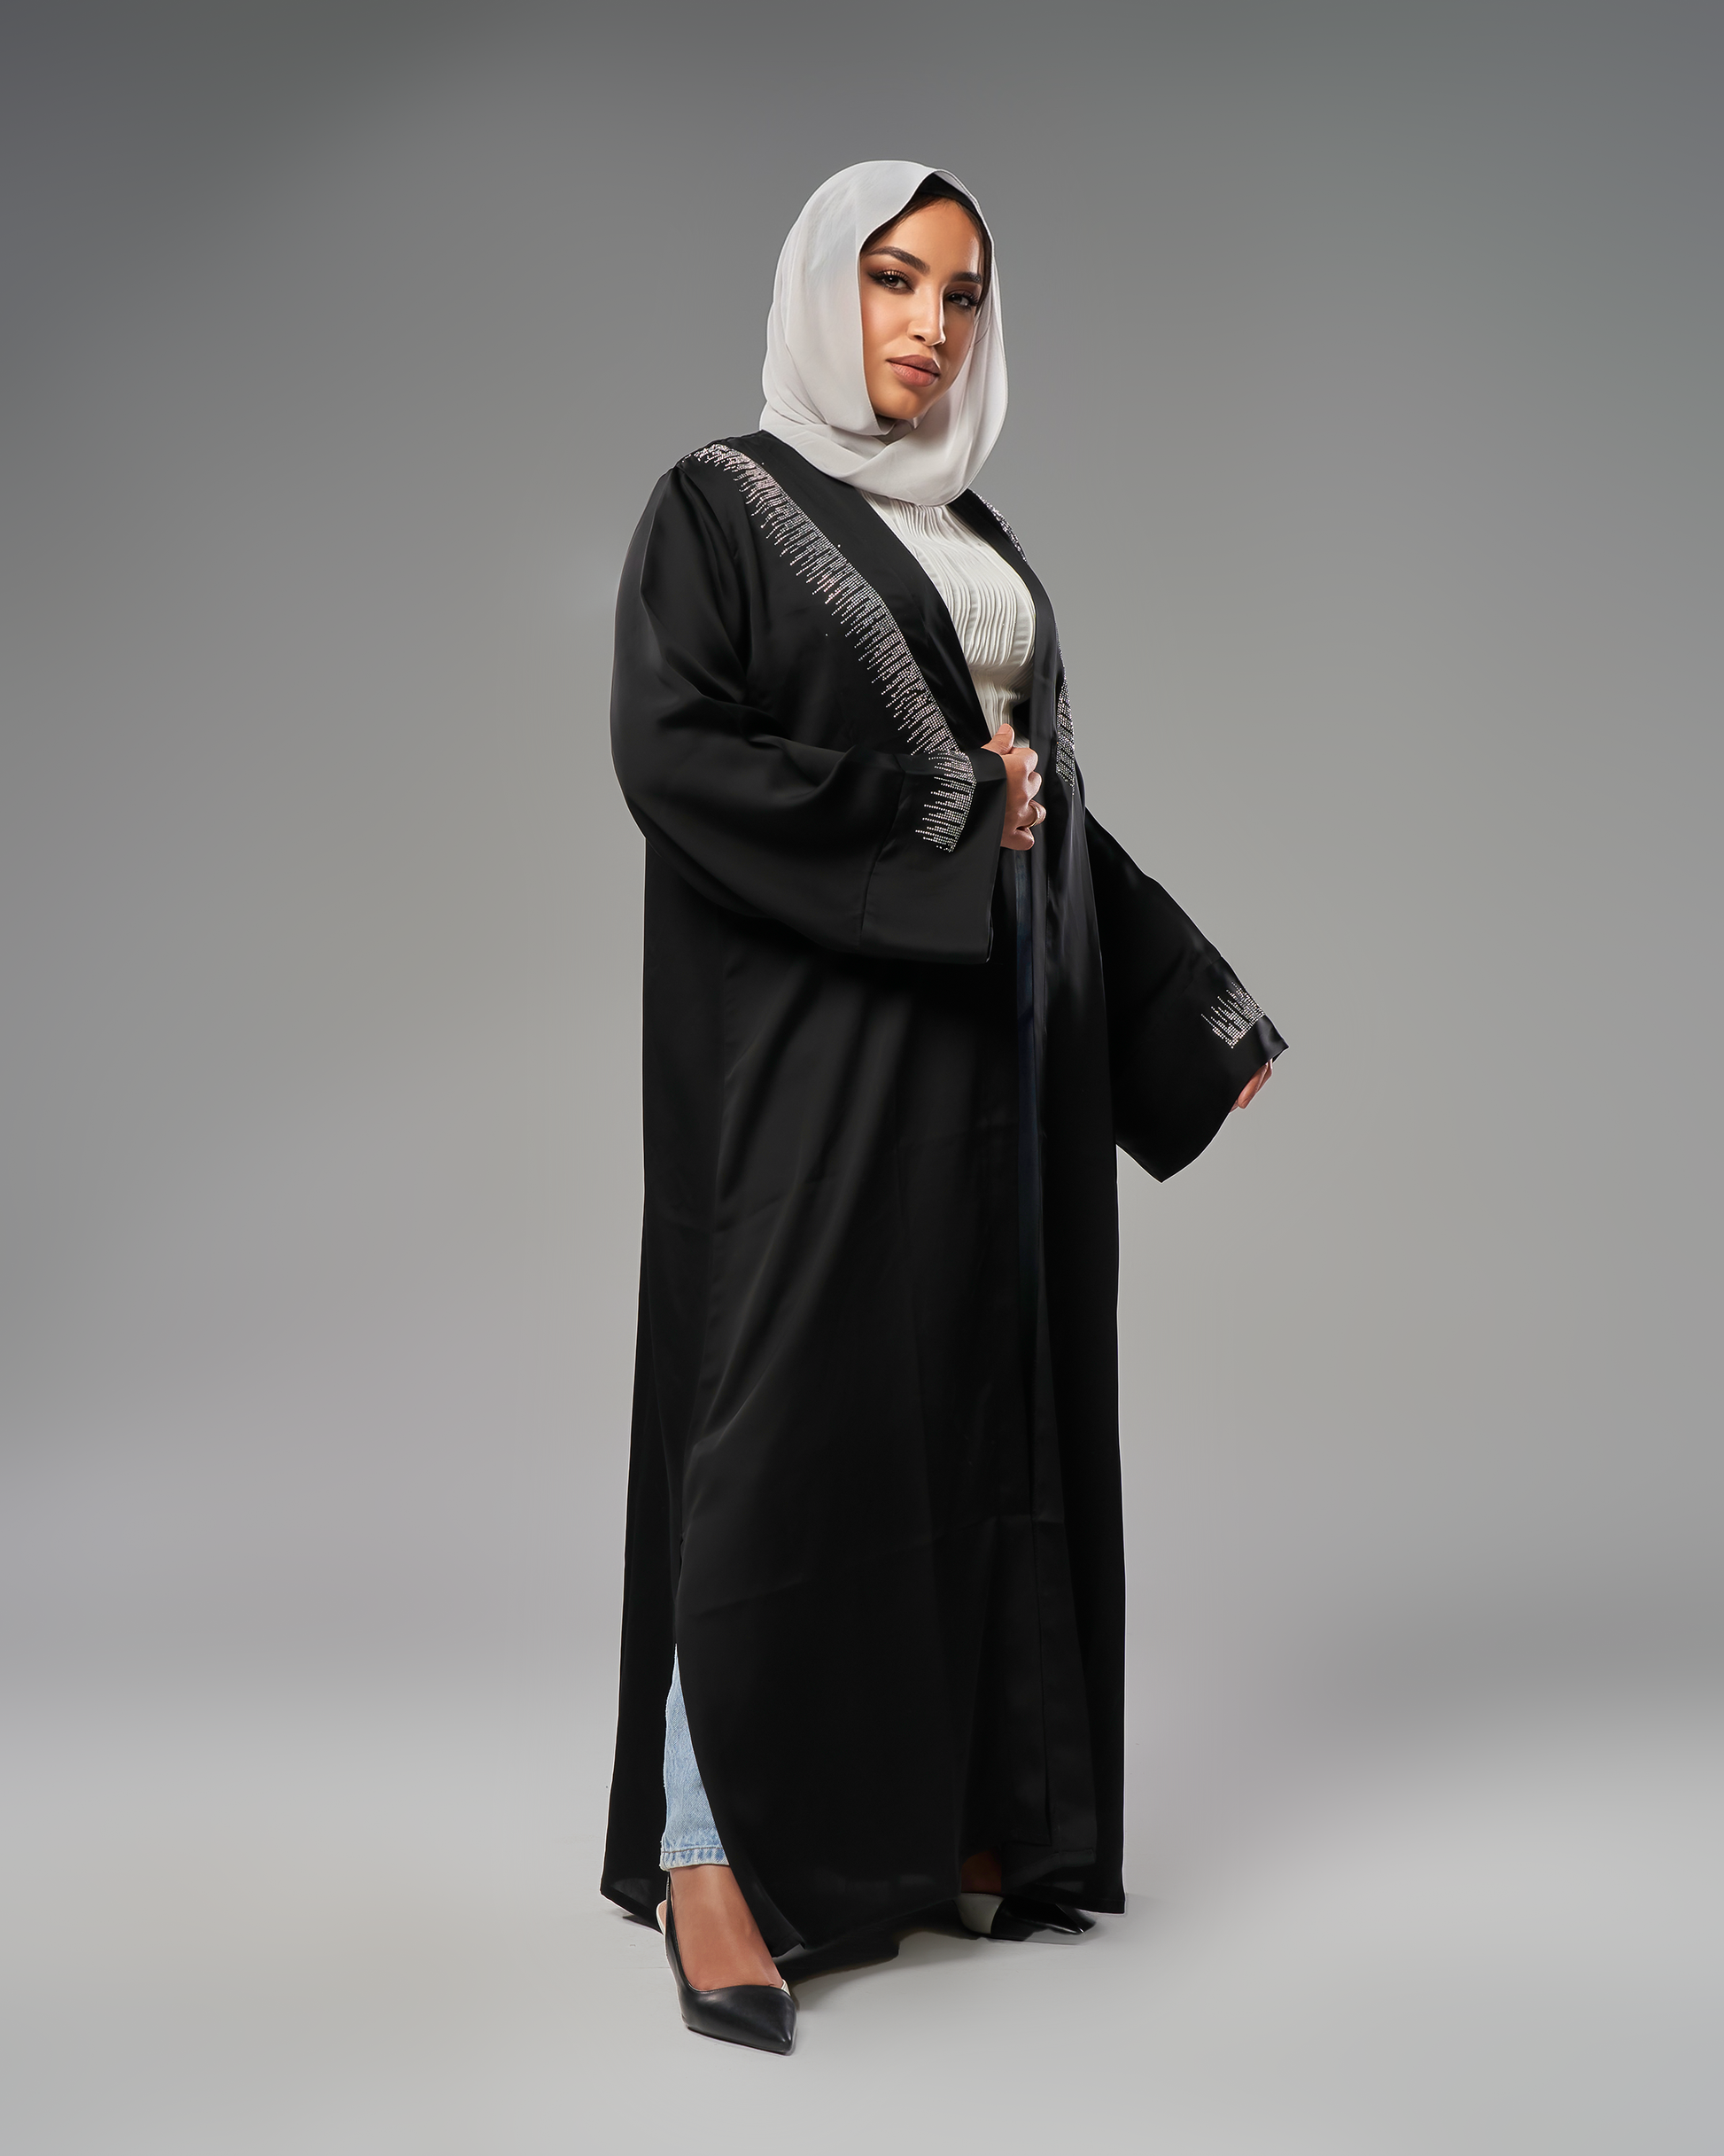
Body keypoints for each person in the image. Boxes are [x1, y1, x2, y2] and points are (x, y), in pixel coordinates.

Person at [602, 161, 1284, 2055]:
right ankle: (708, 1857)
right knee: (778, 1425)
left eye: (961, 294)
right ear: (822, 288)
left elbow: (1041, 801)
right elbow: (675, 753)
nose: (926, 324)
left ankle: (959, 1817)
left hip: (1004, 1045)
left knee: (983, 1404)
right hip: (818, 1052)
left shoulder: (970, 529)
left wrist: (1183, 1007)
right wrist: (939, 812)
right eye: (891, 279)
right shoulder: (721, 505)